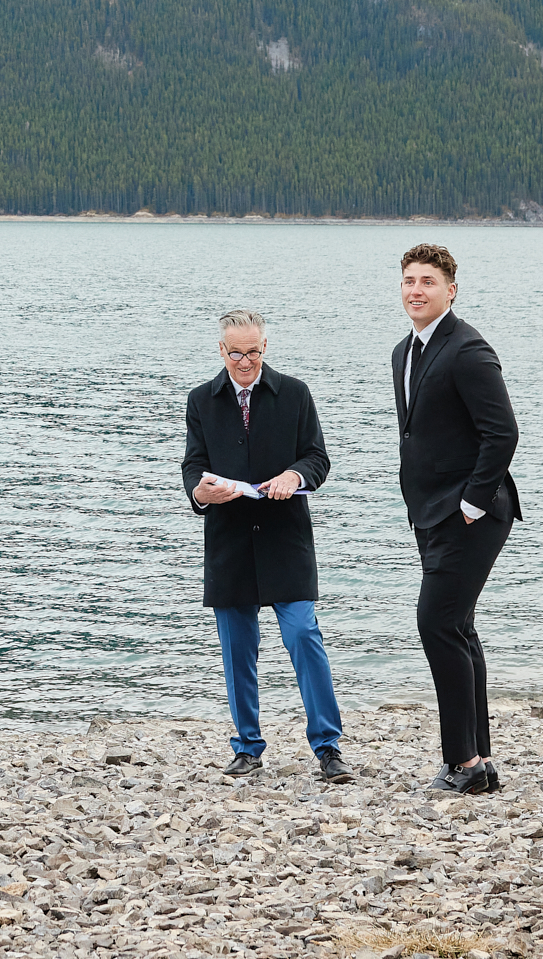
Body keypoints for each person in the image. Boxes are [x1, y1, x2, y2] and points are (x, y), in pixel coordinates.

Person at [182, 310, 349, 784]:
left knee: (303, 637)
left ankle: (328, 747)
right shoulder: (201, 400)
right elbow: (193, 465)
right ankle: (247, 747)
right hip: (229, 544)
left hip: (285, 541)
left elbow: (317, 458)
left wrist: (294, 476)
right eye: (235, 353)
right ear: (221, 350)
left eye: (253, 352)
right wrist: (200, 493)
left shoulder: (294, 393)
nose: (245, 361)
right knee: (238, 651)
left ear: (265, 347)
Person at [391, 243, 520, 795]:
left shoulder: (468, 349)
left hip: (471, 513)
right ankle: (480, 760)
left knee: (437, 622)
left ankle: (462, 763)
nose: (416, 290)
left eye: (427, 281)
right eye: (409, 281)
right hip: (429, 512)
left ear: (451, 290)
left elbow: (503, 432)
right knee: (459, 626)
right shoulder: (404, 350)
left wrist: (471, 502)